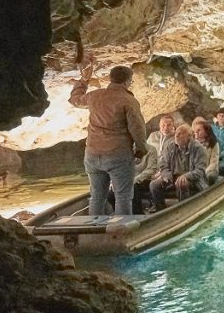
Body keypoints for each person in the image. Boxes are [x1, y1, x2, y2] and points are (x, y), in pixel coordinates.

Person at [70, 64, 147, 215]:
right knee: (123, 197)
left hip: (92, 154)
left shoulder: (95, 96)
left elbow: (75, 100)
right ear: (127, 81)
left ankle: (93, 229)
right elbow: (137, 129)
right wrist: (140, 150)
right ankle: (120, 233)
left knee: (97, 197)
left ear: (110, 79)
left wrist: (84, 80)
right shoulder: (128, 101)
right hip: (118, 155)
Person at [149, 124, 208, 211]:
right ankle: (160, 210)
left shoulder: (199, 149)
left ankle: (184, 211)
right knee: (154, 184)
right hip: (172, 176)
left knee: (181, 183)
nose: (176, 135)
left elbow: (200, 171)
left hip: (193, 179)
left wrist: (186, 176)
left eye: (180, 133)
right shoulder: (170, 147)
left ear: (189, 136)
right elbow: (163, 165)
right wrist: (167, 176)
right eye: (176, 132)